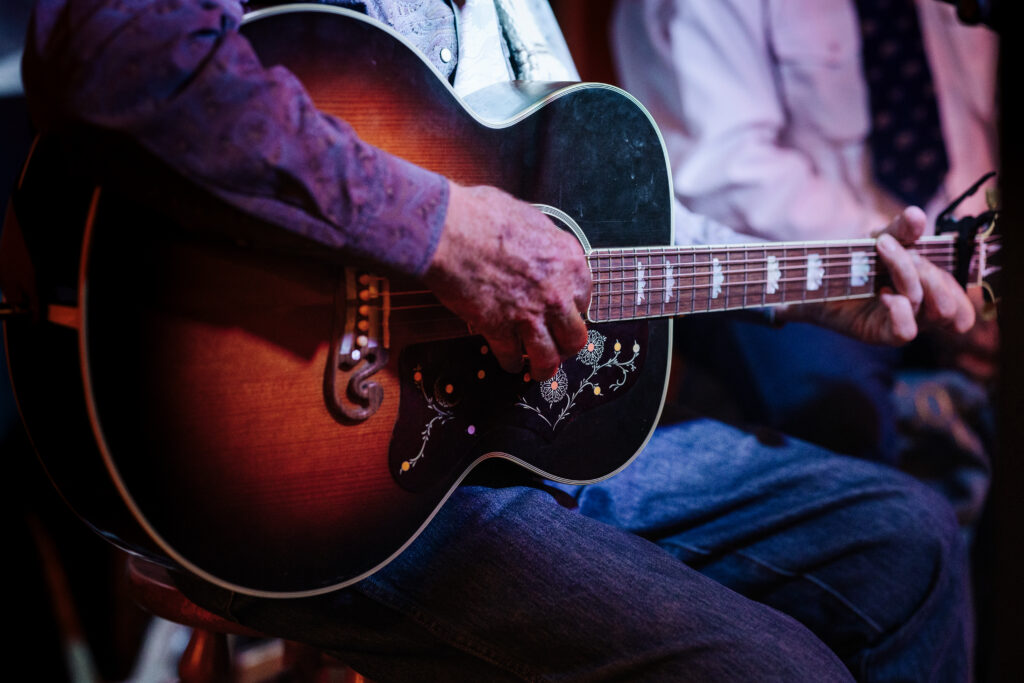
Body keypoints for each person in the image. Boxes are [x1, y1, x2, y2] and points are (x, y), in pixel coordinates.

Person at [16, 0, 978, 679]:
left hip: (499, 442)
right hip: (317, 481)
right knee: (771, 672)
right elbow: (119, 53)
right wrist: (443, 231)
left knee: (915, 542)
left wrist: (815, 286)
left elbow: (599, 213)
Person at [611, 0, 998, 521]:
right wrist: (916, 269)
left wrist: (971, 275)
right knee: (841, 414)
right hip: (748, 261)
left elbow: (973, 149)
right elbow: (721, 173)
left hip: (928, 257)